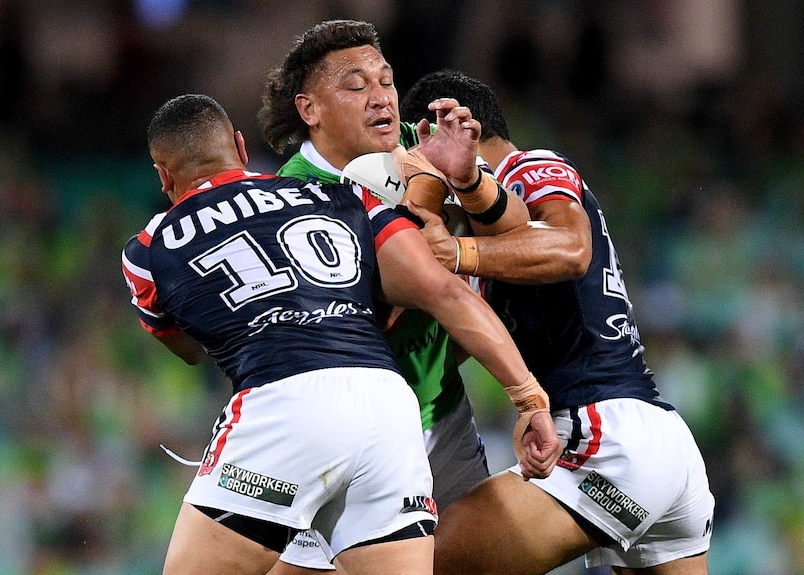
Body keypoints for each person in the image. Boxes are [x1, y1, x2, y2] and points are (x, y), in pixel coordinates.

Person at [121, 93, 558, 575]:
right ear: (241, 148)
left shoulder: (147, 248)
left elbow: (187, 348)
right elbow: (446, 293)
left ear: (163, 176)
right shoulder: (342, 196)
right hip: (388, 406)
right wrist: (529, 397)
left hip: (282, 405)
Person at [399, 70, 716, 575]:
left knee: (406, 564)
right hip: (653, 440)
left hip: (602, 435)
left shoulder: (530, 167)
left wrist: (456, 250)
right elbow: (447, 345)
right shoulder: (495, 247)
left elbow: (572, 249)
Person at [257, 20, 529, 574]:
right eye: (356, 86)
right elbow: (355, 321)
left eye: (384, 80)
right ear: (309, 109)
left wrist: (470, 180)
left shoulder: (415, 142)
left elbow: (516, 230)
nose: (381, 96)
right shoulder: (290, 196)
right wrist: (418, 205)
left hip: (443, 415)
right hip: (354, 441)